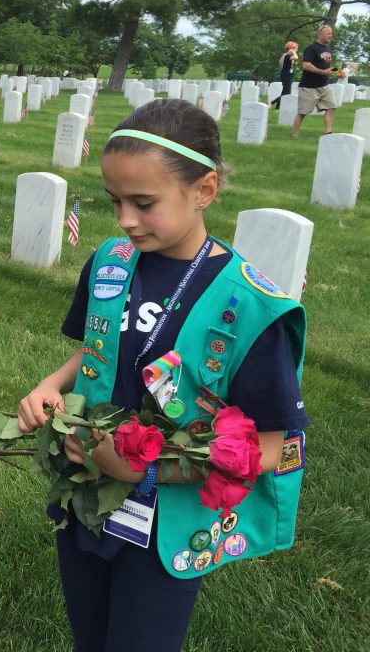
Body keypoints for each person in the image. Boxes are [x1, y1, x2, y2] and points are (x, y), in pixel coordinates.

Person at [18, 99, 309, 651]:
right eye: (115, 202)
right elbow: (101, 348)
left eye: (144, 203)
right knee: (89, 634)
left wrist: (146, 473)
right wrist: (51, 385)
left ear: (204, 190)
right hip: (86, 495)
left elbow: (273, 448)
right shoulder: (110, 261)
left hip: (166, 520)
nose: (125, 219)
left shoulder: (248, 307)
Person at [292, 25, 336, 137]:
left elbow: (325, 67)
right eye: (328, 34)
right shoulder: (311, 49)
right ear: (320, 34)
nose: (331, 36)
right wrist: (322, 72)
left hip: (324, 85)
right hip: (309, 86)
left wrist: (336, 72)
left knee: (331, 106)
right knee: (303, 112)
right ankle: (294, 134)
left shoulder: (327, 48)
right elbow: (306, 65)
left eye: (331, 33)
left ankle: (328, 133)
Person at [270, 41, 299, 109]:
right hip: (286, 76)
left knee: (285, 92)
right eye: (296, 48)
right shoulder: (287, 55)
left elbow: (295, 62)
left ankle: (277, 108)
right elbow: (296, 57)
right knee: (286, 93)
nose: (297, 50)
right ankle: (271, 103)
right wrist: (292, 51)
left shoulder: (288, 56)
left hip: (288, 76)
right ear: (292, 48)